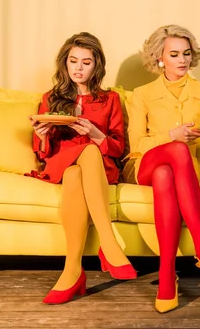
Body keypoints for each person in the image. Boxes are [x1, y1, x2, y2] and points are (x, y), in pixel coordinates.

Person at [122, 24, 200, 313]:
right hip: (143, 163)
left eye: (187, 54)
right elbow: (137, 144)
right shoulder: (141, 95)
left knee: (167, 173)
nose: (182, 60)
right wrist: (170, 136)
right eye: (174, 54)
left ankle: (167, 276)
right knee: (177, 148)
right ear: (160, 59)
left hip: (180, 171)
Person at [28, 32, 137, 305]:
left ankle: (72, 270)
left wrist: (96, 133)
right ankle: (109, 244)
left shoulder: (109, 99)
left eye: (86, 62)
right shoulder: (50, 97)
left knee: (83, 162)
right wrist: (42, 134)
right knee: (77, 160)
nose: (78, 68)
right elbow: (43, 152)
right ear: (65, 63)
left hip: (97, 168)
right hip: (61, 162)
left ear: (96, 65)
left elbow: (118, 148)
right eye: (73, 61)